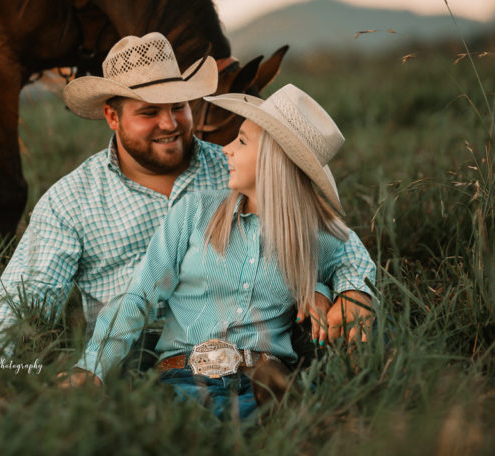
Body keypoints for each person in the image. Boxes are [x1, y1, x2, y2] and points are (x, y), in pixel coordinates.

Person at [0, 33, 355, 363]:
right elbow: (25, 297)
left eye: (178, 106)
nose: (170, 123)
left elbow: (330, 236)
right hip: (129, 348)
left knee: (322, 342)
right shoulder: (72, 200)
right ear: (112, 116)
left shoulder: (234, 169)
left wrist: (351, 289)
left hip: (247, 338)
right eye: (149, 112)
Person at [66, 84, 377, 419]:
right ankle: (270, 411)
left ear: (274, 160)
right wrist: (91, 368)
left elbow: (353, 257)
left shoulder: (311, 233)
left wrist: (348, 291)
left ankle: (276, 404)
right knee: (183, 416)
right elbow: (139, 296)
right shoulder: (194, 212)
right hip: (187, 371)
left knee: (292, 413)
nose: (226, 149)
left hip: (261, 371)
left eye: (241, 141)